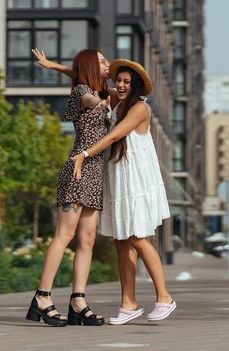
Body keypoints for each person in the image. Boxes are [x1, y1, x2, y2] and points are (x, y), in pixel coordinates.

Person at [72, 59, 176, 325]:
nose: (120, 85)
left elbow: (113, 136)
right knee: (121, 240)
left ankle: (164, 297)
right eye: (118, 80)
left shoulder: (140, 108)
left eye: (126, 82)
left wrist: (84, 154)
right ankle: (128, 303)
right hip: (119, 179)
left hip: (136, 181)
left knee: (138, 237)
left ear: (136, 86)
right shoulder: (116, 102)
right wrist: (54, 67)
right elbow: (82, 75)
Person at [26, 49, 111, 327]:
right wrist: (97, 103)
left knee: (87, 241)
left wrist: (53, 65)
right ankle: (42, 297)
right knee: (64, 235)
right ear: (90, 67)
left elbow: (75, 72)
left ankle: (78, 302)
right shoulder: (84, 93)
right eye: (102, 61)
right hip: (77, 170)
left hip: (95, 175)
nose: (107, 63)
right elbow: (85, 95)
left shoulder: (102, 89)